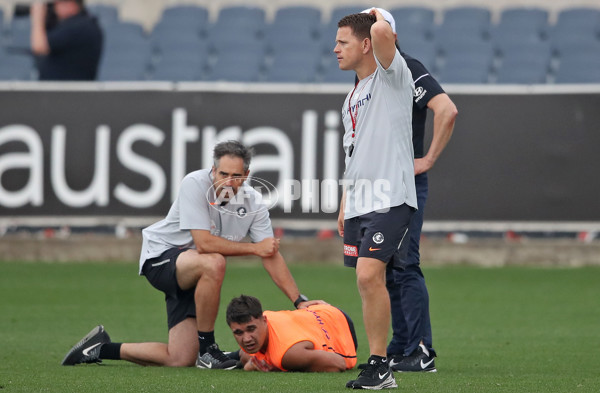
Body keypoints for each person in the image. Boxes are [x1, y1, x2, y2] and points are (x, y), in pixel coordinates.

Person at [61, 140, 323, 368]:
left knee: (179, 358)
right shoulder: (195, 183)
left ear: (247, 175)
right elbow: (204, 244)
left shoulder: (254, 202)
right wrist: (254, 248)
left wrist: (298, 299)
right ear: (213, 170)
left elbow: (271, 255)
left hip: (193, 273)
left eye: (236, 175)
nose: (228, 181)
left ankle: (99, 348)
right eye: (222, 173)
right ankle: (208, 350)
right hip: (161, 259)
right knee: (214, 262)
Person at [356, 9, 458, 373]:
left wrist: (427, 158)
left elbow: (446, 110)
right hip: (380, 184)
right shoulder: (371, 79)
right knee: (387, 266)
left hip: (404, 183)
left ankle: (421, 349)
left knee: (405, 265)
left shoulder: (406, 67)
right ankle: (401, 346)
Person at [334, 8, 417, 390]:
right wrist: (344, 202)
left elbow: (383, 29)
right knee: (367, 281)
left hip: (391, 197)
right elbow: (352, 155)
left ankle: (381, 366)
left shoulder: (392, 75)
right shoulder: (351, 95)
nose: (334, 49)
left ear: (366, 45)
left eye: (343, 42)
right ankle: (378, 364)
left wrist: (373, 14)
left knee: (370, 274)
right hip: (361, 201)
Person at [225, 295, 357, 372]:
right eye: (238, 333)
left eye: (251, 329)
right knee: (243, 355)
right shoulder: (263, 318)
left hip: (341, 328)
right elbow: (247, 357)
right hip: (317, 313)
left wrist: (275, 367)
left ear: (264, 320)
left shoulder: (288, 354)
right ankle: (225, 355)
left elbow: (338, 363)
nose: (246, 338)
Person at [30, 0, 103, 80]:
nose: (54, 7)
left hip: (67, 90)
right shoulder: (84, 24)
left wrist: (38, 17)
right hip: (62, 89)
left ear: (70, 3)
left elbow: (39, 47)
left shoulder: (79, 26)